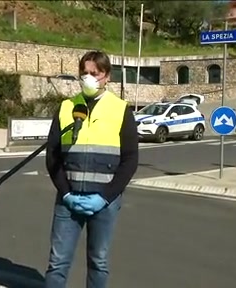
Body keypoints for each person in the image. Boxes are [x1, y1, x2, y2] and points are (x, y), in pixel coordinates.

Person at [44, 51, 139, 288]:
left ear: (106, 76)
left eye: (94, 73)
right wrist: (65, 192)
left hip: (104, 202)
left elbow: (130, 160)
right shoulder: (67, 107)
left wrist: (105, 197)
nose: (88, 78)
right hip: (68, 200)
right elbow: (52, 155)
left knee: (98, 262)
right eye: (84, 73)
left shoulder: (120, 109)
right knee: (57, 263)